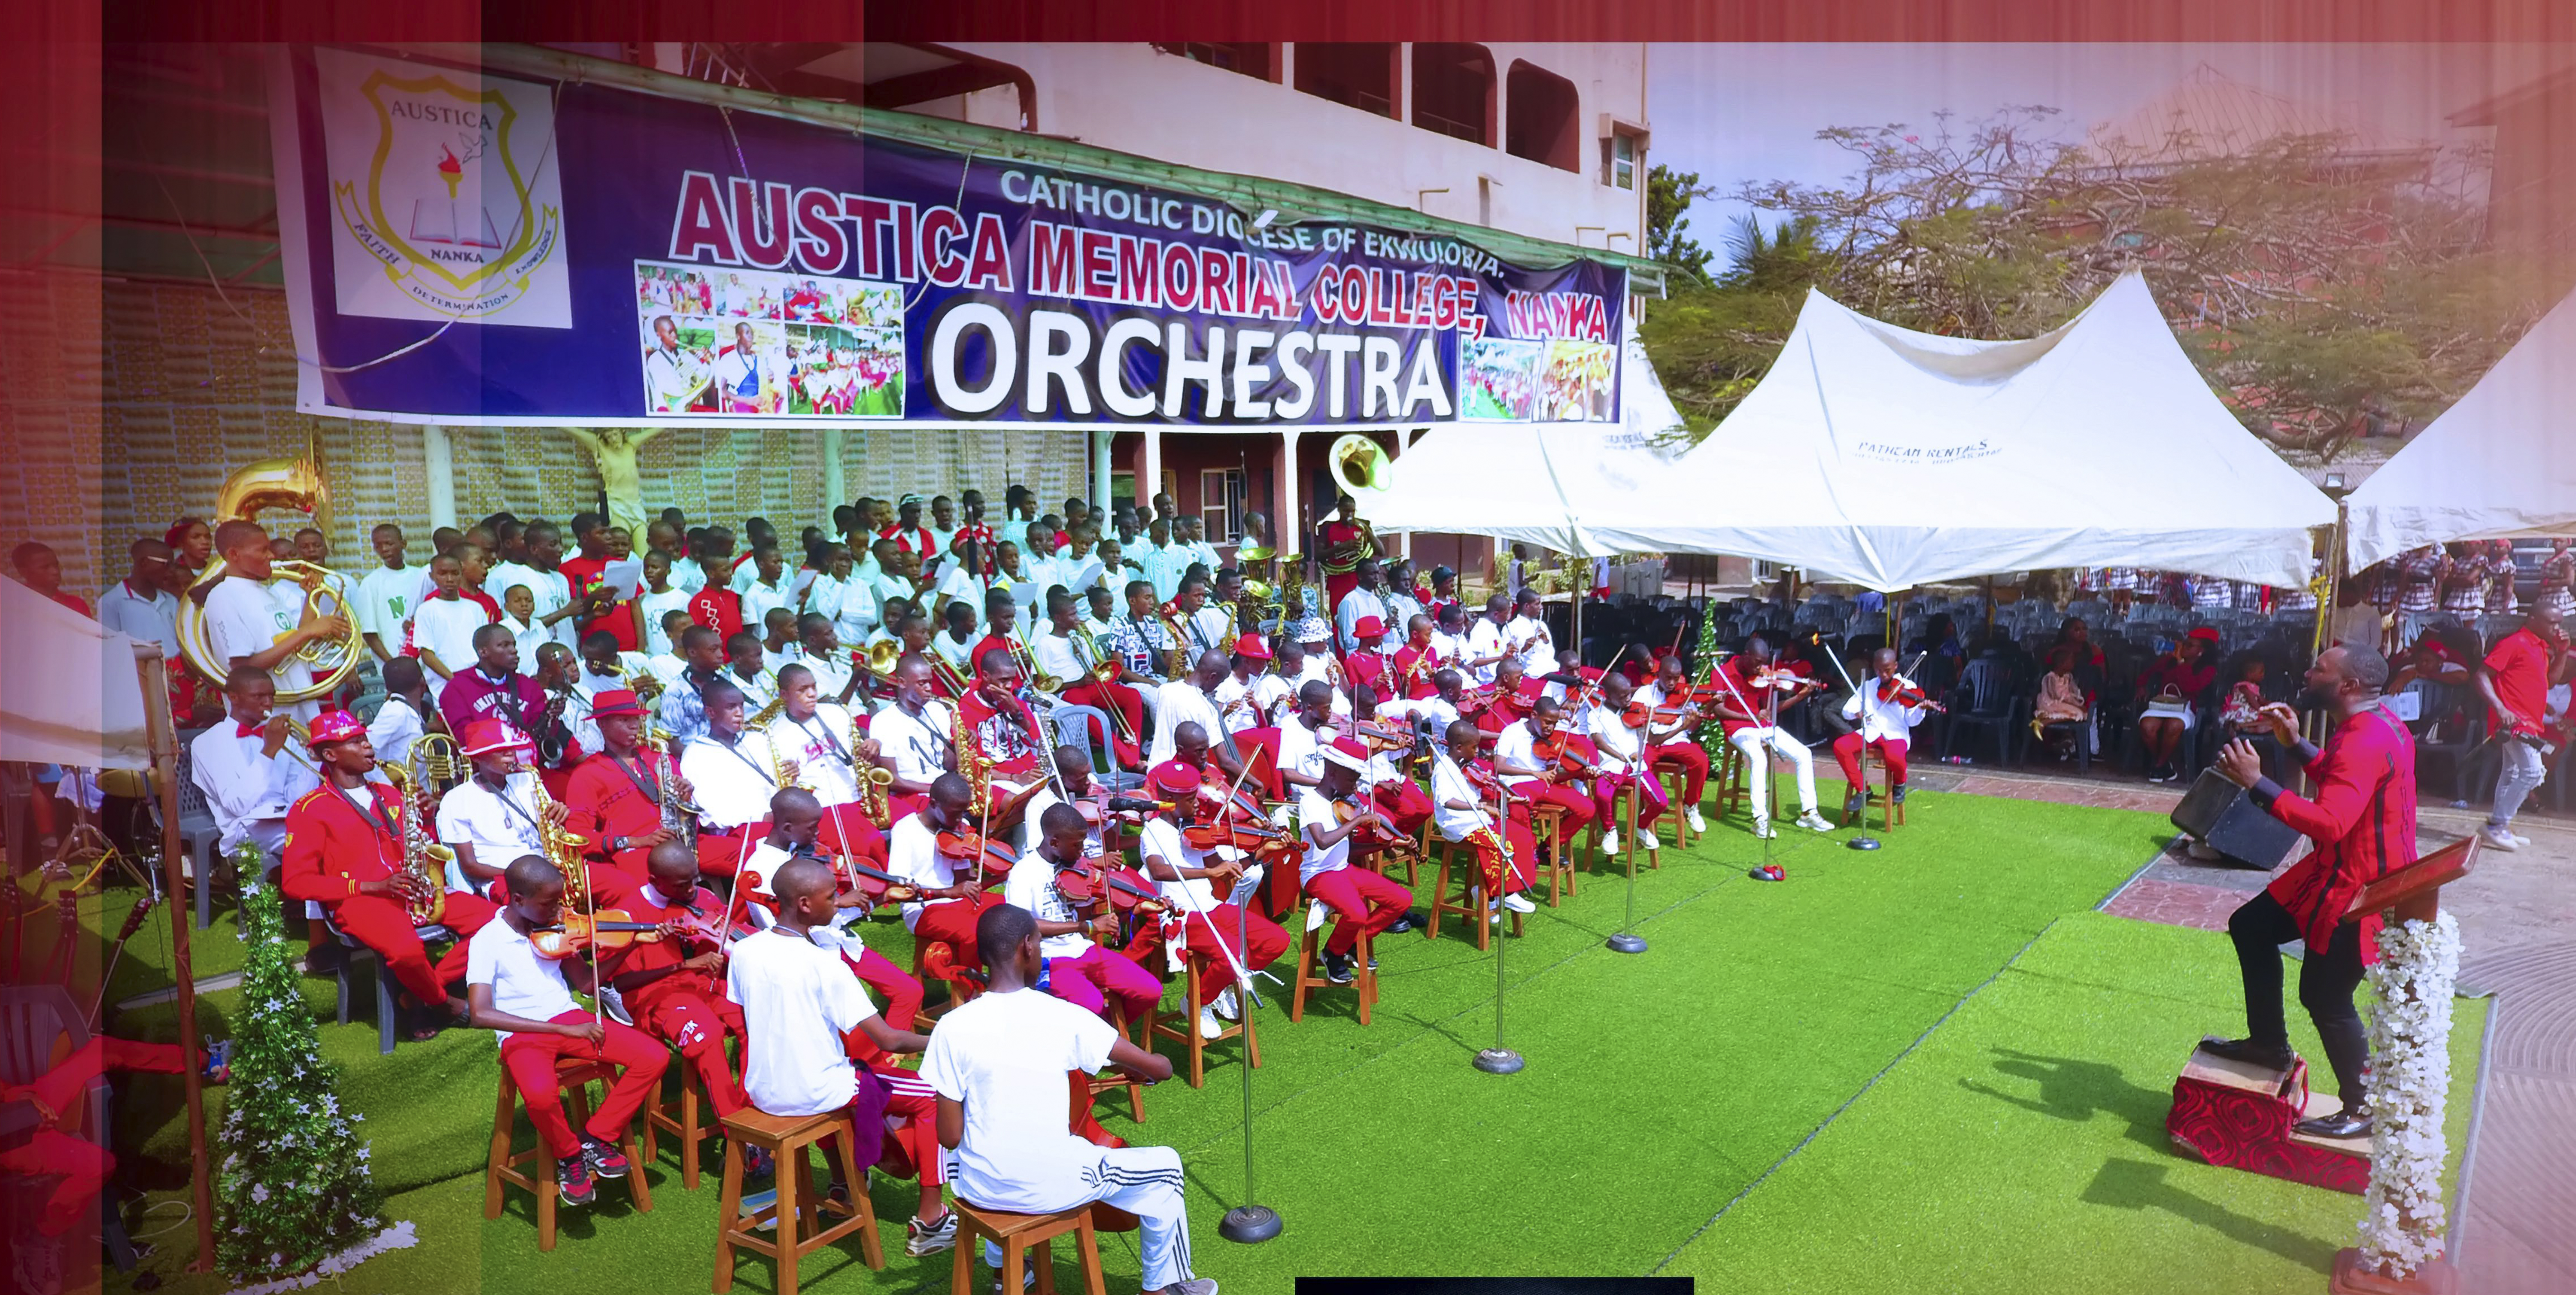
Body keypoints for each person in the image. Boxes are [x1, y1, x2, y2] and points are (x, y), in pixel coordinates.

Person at [920, 904, 1216, 1295]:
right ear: (1027, 947)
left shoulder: (951, 1026)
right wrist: (1156, 1063)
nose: (1041, 951)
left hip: (981, 1190)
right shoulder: (1062, 1015)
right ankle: (1162, 1289)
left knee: (973, 1152)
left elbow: (949, 1136)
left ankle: (1005, 1269)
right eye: (1041, 943)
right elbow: (1157, 1068)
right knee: (1166, 1168)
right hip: (1048, 1186)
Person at [2204, 644, 2415, 1140]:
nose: (2308, 669)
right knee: (2250, 926)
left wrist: (2258, 783)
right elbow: (2343, 780)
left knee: (2325, 996)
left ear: (2347, 687)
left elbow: (2331, 822)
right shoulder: (2379, 722)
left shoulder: (2363, 739)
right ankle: (2268, 1045)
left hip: (2358, 885)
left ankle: (2362, 1108)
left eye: (2320, 667)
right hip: (2338, 871)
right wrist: (2297, 744)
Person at [729, 854, 955, 1256]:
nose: (838, 904)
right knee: (931, 1093)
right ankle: (932, 1218)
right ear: (804, 904)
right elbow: (888, 1040)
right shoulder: (826, 963)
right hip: (814, 1091)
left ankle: (842, 1183)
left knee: (848, 1073)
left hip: (763, 1091)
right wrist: (948, 1037)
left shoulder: (745, 951)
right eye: (831, 898)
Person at [465, 854, 671, 1208]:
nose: (557, 909)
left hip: (570, 1020)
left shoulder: (552, 929)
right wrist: (558, 1028)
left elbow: (587, 985)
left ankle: (596, 1137)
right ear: (519, 900)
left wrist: (632, 943)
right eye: (548, 903)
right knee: (542, 1097)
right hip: (523, 1035)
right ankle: (570, 1156)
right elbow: (480, 1014)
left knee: (654, 1057)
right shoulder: (487, 941)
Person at [283, 709, 499, 1040]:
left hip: (411, 890)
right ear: (330, 755)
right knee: (408, 951)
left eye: (366, 739)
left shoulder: (391, 794)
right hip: (360, 900)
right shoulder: (309, 809)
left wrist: (426, 818)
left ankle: (419, 996)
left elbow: (416, 845)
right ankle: (445, 1003)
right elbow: (296, 883)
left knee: (497, 921)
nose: (368, 747)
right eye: (355, 742)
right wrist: (372, 886)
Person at [1136, 761, 1289, 1042]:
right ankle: (1199, 1002)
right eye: (1192, 799)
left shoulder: (1196, 833)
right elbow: (1159, 870)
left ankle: (1219, 986)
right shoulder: (1153, 831)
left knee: (1276, 940)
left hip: (1210, 908)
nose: (1199, 803)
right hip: (1179, 916)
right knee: (1232, 953)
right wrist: (1207, 872)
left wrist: (1262, 851)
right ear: (1169, 801)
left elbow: (1226, 867)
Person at [1007, 803, 1167, 1025]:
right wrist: (1087, 928)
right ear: (1054, 842)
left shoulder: (1078, 868)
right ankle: (1098, 1041)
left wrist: (1135, 909)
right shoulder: (1024, 872)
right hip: (1048, 959)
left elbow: (1085, 918)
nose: (1083, 851)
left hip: (1082, 949)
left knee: (1150, 990)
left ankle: (1105, 1035)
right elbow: (1023, 927)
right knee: (1091, 1004)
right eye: (1077, 845)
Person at [202, 520, 349, 722]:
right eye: (263, 550)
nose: (271, 556)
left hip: (298, 705)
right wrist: (308, 632)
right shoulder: (223, 597)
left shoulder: (263, 592)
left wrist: (311, 597)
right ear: (234, 555)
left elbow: (294, 643)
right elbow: (243, 669)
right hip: (270, 718)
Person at [1298, 738, 1417, 985]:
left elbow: (1349, 848)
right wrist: (1357, 821)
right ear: (1332, 774)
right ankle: (1332, 954)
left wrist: (1389, 844)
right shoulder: (1310, 801)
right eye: (1351, 781)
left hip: (1343, 869)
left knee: (1402, 900)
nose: (1354, 789)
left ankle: (1351, 944)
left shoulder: (1340, 805)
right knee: (1357, 912)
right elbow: (1321, 841)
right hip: (1318, 875)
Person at [188, 666, 319, 860]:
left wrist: (315, 761)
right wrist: (269, 752)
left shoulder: (286, 737)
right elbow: (237, 805)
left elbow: (298, 798)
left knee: (342, 828)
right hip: (244, 827)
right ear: (234, 698)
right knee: (315, 841)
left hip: (287, 819)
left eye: (271, 696)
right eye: (258, 697)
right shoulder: (208, 742)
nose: (268, 703)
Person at [1711, 636, 1832, 838]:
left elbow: (1773, 711)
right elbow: (1718, 709)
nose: (1761, 669)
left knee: (1804, 753)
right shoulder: (1722, 674)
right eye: (1758, 663)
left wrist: (1800, 696)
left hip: (1763, 726)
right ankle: (1759, 819)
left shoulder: (1764, 677)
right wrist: (1749, 716)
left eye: (1764, 664)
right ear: (1746, 655)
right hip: (1737, 728)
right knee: (1759, 758)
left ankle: (1808, 812)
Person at [765, 662, 887, 863]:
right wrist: (790, 777)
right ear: (784, 695)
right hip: (822, 806)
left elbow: (859, 751)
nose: (812, 694)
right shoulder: (775, 734)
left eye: (814, 687)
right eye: (803, 690)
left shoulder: (837, 713)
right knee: (868, 843)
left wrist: (874, 744)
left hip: (859, 796)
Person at [885, 773, 1008, 969]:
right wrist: (949, 893)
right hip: (922, 909)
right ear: (933, 804)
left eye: (964, 813)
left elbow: (963, 885)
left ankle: (1006, 977)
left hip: (955, 902)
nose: (960, 819)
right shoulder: (905, 829)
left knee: (1012, 909)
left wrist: (1002, 876)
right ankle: (972, 989)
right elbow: (900, 890)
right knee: (973, 931)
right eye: (954, 814)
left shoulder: (960, 829)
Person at [2476, 609, 2572, 852]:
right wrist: (2500, 708)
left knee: (2512, 771)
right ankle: (2497, 825)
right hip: (2514, 722)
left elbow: (2550, 681)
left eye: (2559, 623)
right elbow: (2481, 675)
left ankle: (2501, 826)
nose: (2556, 628)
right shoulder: (2515, 643)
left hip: (2529, 721)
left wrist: (2561, 653)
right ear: (2533, 620)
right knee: (2533, 772)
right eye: (2552, 622)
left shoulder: (2540, 647)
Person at [1431, 718, 1537, 925]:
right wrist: (1480, 807)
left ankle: (1486, 893)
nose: (1478, 752)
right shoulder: (1443, 769)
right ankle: (1505, 894)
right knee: (1501, 844)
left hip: (1476, 819)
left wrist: (1506, 799)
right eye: (1475, 747)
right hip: (1459, 825)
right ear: (1460, 748)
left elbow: (1475, 795)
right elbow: (1447, 801)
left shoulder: (1461, 765)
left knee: (1520, 834)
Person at [677, 681, 780, 872]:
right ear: (710, 712)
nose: (739, 713)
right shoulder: (695, 755)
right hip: (741, 832)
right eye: (731, 707)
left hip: (778, 821)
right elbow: (712, 813)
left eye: (741, 706)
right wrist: (763, 817)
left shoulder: (758, 738)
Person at [1835, 649, 1937, 809]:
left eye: (1887, 670)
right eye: (1879, 670)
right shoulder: (1868, 686)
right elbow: (1846, 711)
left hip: (1895, 734)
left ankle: (1900, 783)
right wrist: (1857, 714)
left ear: (1896, 666)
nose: (1883, 675)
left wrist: (1921, 709)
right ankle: (1864, 790)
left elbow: (1912, 722)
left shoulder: (1907, 687)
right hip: (1871, 732)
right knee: (1841, 747)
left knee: (1894, 757)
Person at [1632, 655, 1713, 836]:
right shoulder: (1644, 694)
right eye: (1668, 677)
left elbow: (1691, 728)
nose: (1671, 683)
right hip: (1650, 743)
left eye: (1676, 679)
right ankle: (1651, 806)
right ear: (1658, 674)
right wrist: (1680, 726)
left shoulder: (1684, 695)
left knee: (1700, 759)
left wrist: (1705, 710)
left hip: (1677, 742)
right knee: (1642, 765)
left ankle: (1691, 805)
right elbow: (1651, 738)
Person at [2135, 627, 2219, 783]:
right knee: (2147, 727)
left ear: (2201, 651)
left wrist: (2182, 664)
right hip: (2162, 704)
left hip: (2186, 707)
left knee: (2173, 726)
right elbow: (2146, 675)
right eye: (2184, 644)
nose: (2183, 648)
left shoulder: (2208, 669)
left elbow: (2190, 688)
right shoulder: (2169, 661)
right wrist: (2142, 687)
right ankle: (2164, 764)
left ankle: (2159, 767)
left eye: (2189, 646)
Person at [365, 657, 435, 771]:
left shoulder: (407, 707)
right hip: (402, 786)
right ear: (423, 682)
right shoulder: (396, 712)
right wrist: (387, 783)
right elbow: (368, 746)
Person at [2029, 646, 2089, 761]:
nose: (2073, 665)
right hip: (2052, 704)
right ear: (2062, 663)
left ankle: (2067, 739)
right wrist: (2070, 703)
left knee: (2081, 713)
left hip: (2064, 704)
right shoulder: (2050, 678)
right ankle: (2044, 722)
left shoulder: (2068, 677)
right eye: (2071, 662)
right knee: (2078, 714)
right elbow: (2054, 696)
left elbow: (2073, 693)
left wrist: (2077, 703)